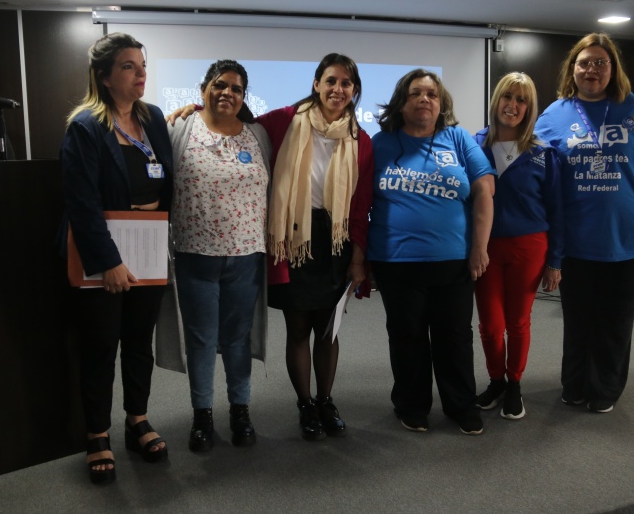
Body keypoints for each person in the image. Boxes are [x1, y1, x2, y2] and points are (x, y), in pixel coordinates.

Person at [534, 32, 634, 413]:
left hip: (630, 236)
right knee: (578, 317)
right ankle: (575, 385)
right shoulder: (553, 115)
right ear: (572, 69)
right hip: (576, 239)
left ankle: (605, 390)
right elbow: (535, 172)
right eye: (584, 62)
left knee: (614, 318)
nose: (592, 69)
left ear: (613, 69)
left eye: (601, 62)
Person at [59, 32, 173, 484]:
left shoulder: (154, 117)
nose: (140, 73)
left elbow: (167, 180)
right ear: (105, 77)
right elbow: (81, 202)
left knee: (139, 341)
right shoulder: (86, 126)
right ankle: (97, 433)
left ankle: (137, 419)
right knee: (102, 345)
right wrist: (108, 260)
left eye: (142, 65)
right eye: (129, 66)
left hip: (148, 247)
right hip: (105, 250)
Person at [367, 69, 495, 434]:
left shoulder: (458, 138)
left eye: (432, 94)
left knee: (454, 337)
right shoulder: (381, 143)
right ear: (401, 103)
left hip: (453, 261)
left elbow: (485, 190)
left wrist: (480, 248)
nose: (425, 99)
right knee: (406, 338)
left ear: (441, 104)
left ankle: (461, 405)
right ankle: (411, 405)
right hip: (396, 261)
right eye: (416, 93)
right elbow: (359, 200)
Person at [257, 53, 373, 440]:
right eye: (331, 81)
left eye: (346, 83)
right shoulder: (284, 120)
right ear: (316, 84)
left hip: (334, 239)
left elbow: (361, 205)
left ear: (354, 90)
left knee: (328, 330)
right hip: (294, 237)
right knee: (298, 328)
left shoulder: (361, 140)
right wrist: (193, 110)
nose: (338, 89)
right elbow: (236, 124)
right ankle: (305, 404)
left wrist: (358, 258)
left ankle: (325, 400)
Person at [166, 60, 271, 452]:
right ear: (203, 89)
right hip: (195, 255)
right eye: (220, 85)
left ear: (244, 97)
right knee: (201, 340)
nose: (228, 92)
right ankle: (202, 415)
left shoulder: (258, 135)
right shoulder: (179, 128)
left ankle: (240, 410)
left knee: (238, 338)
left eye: (236, 88)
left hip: (246, 256)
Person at [472, 72, 564, 420]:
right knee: (490, 324)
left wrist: (555, 261)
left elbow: (557, 210)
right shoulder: (474, 145)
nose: (512, 105)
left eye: (521, 100)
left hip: (529, 247)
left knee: (518, 322)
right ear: (496, 100)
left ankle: (514, 384)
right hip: (485, 248)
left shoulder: (543, 152)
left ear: (529, 108)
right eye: (507, 97)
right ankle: (496, 380)